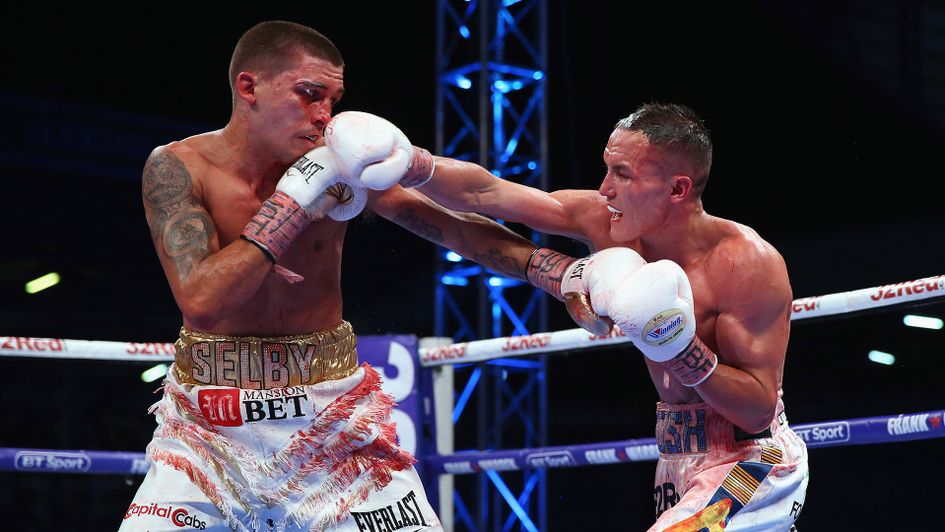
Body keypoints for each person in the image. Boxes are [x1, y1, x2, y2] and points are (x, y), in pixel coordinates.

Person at [121, 20, 540, 532]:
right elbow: (203, 301)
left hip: (334, 422)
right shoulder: (178, 167)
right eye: (309, 94)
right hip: (208, 429)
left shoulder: (340, 162)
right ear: (248, 87)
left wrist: (561, 274)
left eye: (333, 100)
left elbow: (459, 229)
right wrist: (293, 201)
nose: (324, 117)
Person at [412, 103, 808, 531]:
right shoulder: (608, 224)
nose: (605, 189)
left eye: (623, 174)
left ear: (677, 189)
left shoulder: (745, 264)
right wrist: (404, 167)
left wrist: (678, 346)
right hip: (676, 456)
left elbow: (757, 411)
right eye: (607, 169)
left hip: (752, 459)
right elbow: (484, 194)